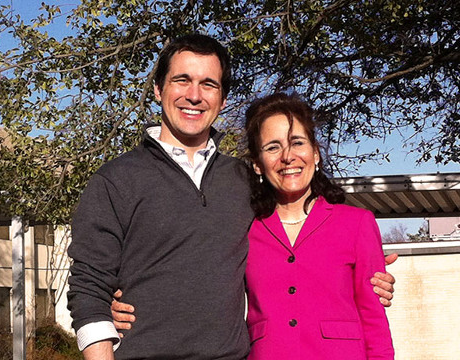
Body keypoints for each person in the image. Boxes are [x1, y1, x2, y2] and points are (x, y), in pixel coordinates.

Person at [68, 34, 396, 360]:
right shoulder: (115, 180)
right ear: (158, 89)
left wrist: (372, 277)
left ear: (222, 99)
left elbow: (307, 235)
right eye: (182, 80)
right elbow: (89, 285)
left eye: (208, 84)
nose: (194, 95)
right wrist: (106, 316)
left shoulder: (242, 182)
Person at [243, 93, 394, 358]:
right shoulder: (244, 229)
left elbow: (374, 320)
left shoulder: (357, 224)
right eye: (273, 147)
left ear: (315, 153)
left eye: (297, 143)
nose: (288, 157)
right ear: (257, 165)